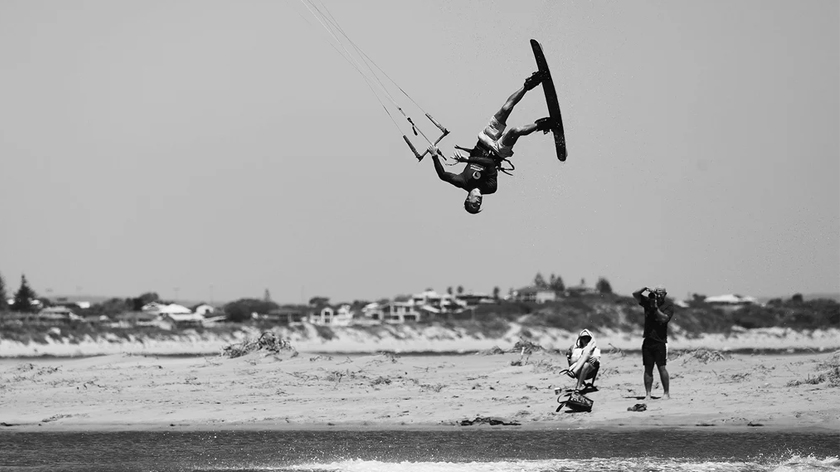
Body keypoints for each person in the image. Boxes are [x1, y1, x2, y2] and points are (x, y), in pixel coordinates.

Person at [427, 70, 560, 214]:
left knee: (506, 108)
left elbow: (442, 175)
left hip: (484, 141)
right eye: (478, 206)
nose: (477, 203)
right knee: (515, 131)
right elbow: (490, 164)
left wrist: (434, 155)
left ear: (467, 199)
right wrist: (467, 160)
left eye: (473, 204)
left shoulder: (462, 182)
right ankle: (545, 124)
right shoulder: (490, 188)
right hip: (498, 152)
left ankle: (530, 83)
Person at [632, 285, 675, 400]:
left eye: (661, 293)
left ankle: (666, 393)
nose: (659, 295)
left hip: (660, 341)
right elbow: (635, 294)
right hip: (648, 340)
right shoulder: (648, 301)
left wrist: (656, 308)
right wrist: (644, 288)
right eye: (657, 293)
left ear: (665, 294)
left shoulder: (668, 306)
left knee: (662, 367)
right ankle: (648, 394)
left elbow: (664, 318)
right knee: (648, 368)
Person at [562, 329, 601, 393]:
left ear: (590, 339)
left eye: (587, 338)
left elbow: (597, 359)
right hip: (579, 371)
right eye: (583, 338)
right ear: (580, 339)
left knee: (586, 362)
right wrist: (583, 358)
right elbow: (572, 362)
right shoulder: (577, 350)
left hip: (590, 371)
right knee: (585, 360)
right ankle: (577, 385)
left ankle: (577, 386)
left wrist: (594, 359)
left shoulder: (595, 348)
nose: (585, 340)